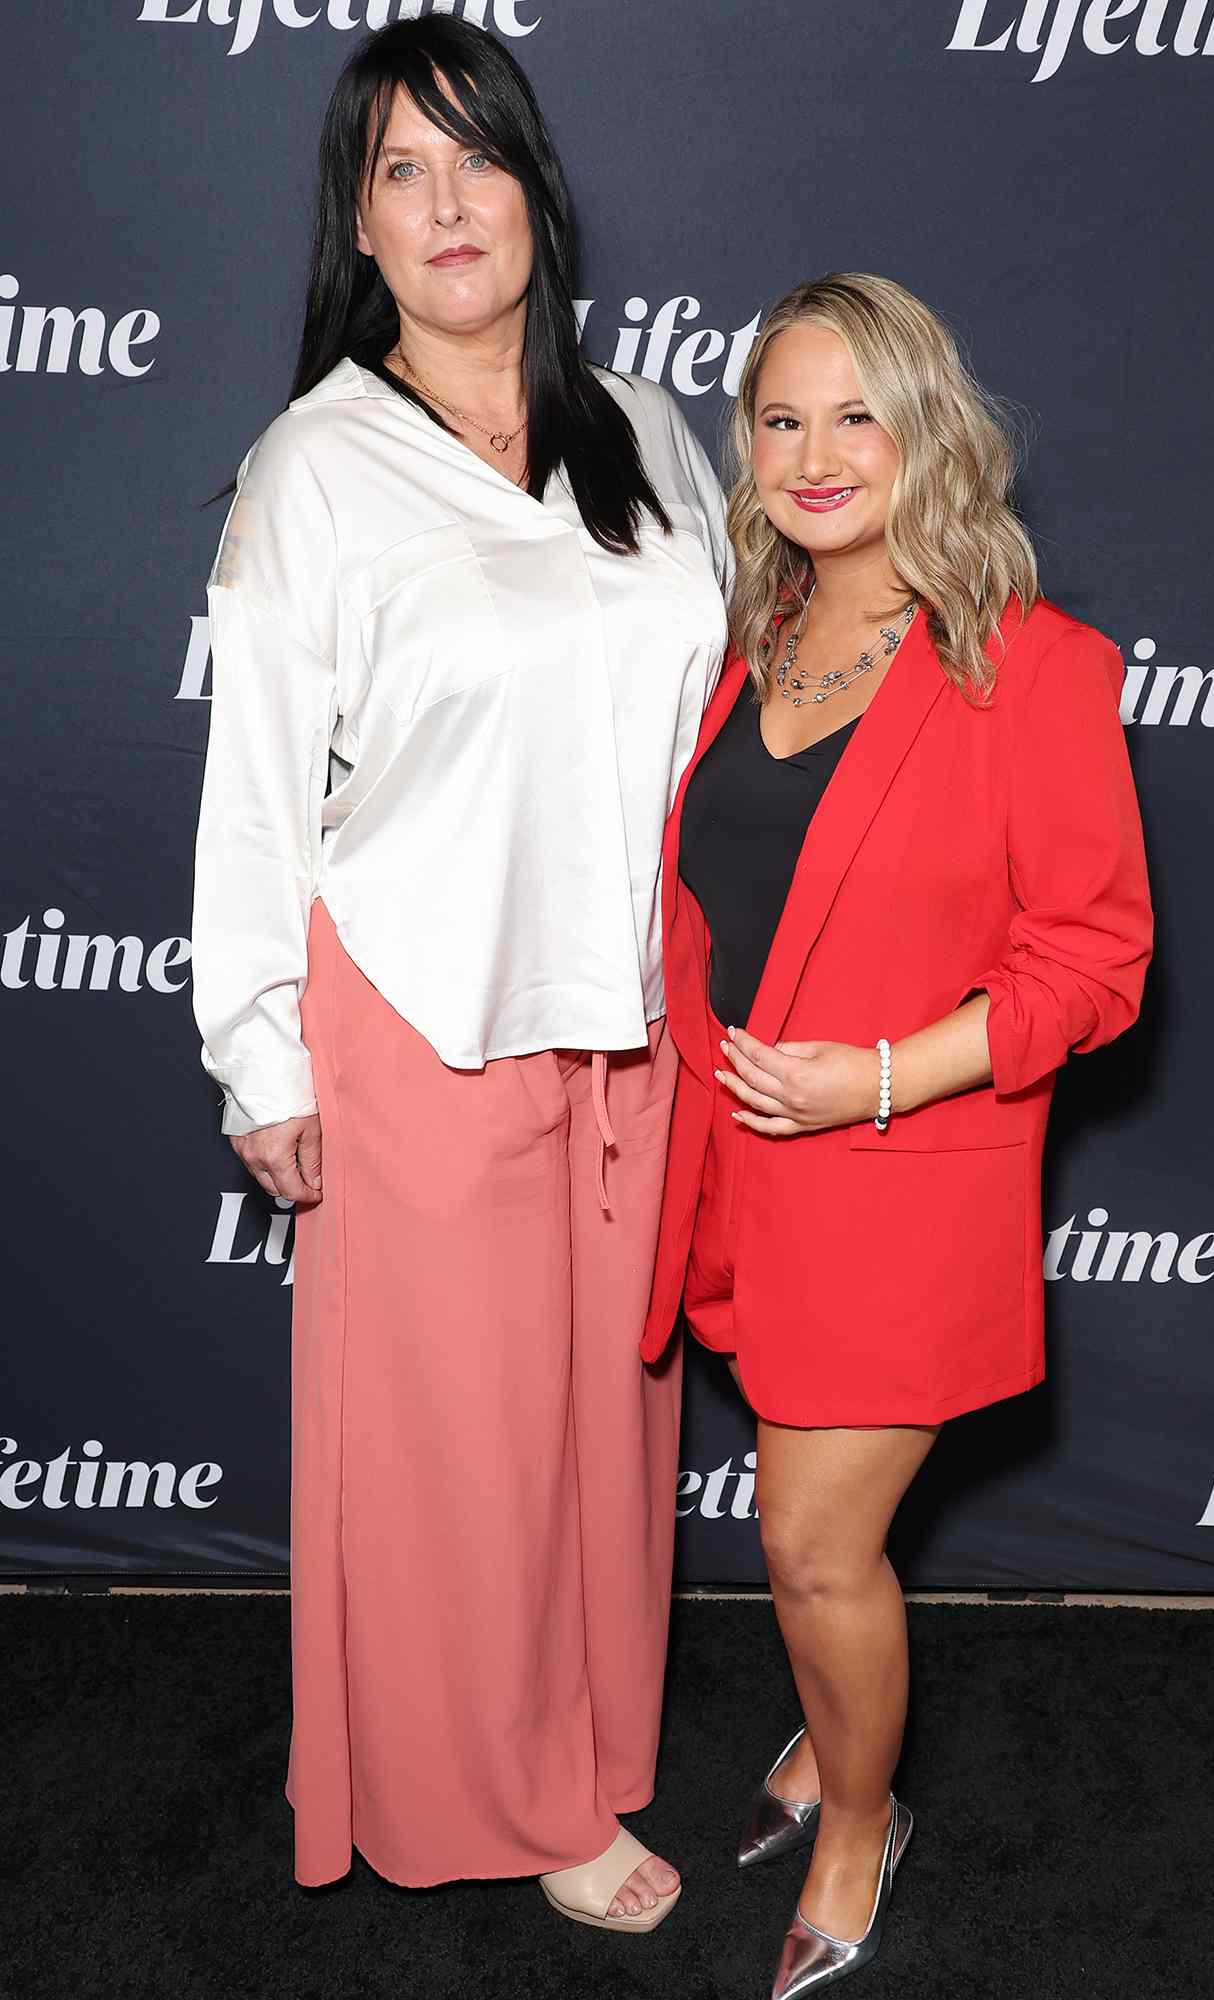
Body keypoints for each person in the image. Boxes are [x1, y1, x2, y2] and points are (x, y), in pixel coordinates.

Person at [190, 17, 729, 1930]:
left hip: (630, 1017)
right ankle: (494, 1799)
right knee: (455, 1455)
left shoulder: (650, 428)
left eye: (473, 158)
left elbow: (732, 715)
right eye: (398, 170)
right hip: (418, 1006)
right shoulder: (317, 464)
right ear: (356, 220)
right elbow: (253, 775)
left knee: (606, 1429)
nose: (445, 202)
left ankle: (581, 1740)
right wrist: (259, 1049)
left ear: (533, 189)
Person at [641, 272, 1153, 1997]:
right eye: (779, 418)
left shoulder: (1037, 669)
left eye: (853, 411)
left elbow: (1095, 961)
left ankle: (861, 1822)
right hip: (729, 1178)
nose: (811, 450)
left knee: (808, 1544)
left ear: (924, 427)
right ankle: (816, 1751)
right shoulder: (741, 646)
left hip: (897, 1184)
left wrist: (880, 1074)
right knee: (806, 1552)